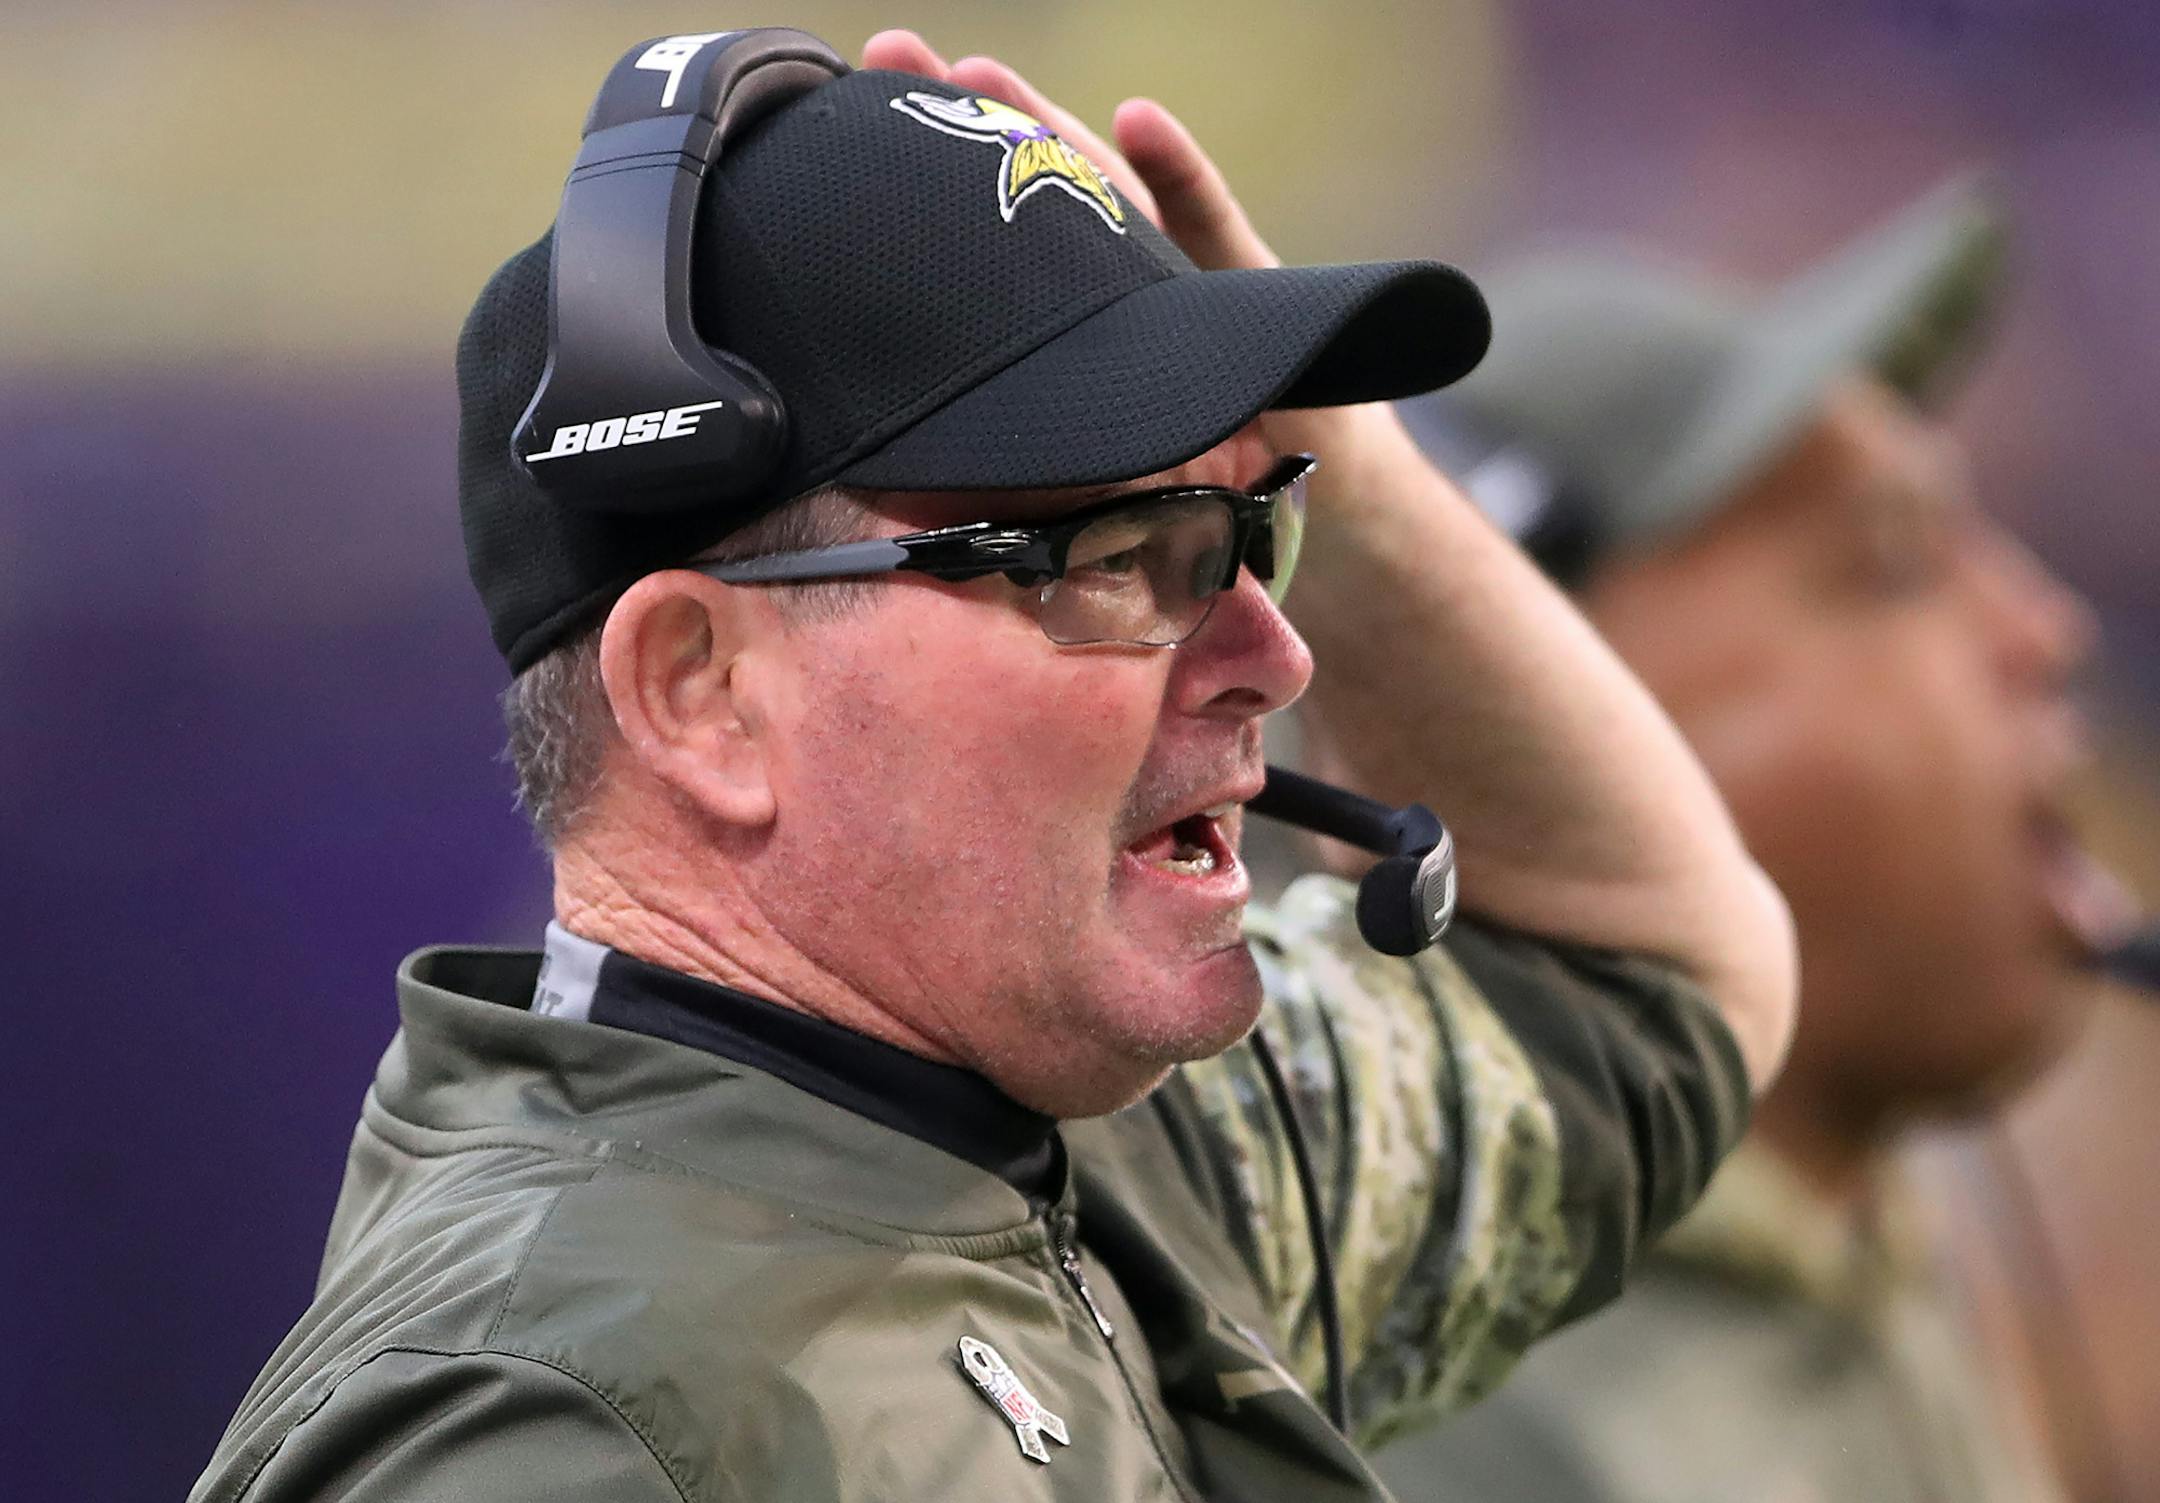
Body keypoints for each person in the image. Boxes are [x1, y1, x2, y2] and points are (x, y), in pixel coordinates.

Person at [190, 28, 1795, 1502]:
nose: (1275, 657)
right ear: (703, 694)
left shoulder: (1093, 1154)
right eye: (1117, 558)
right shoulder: (554, 1431)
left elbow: (1647, 979)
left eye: (1253, 535)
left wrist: (1340, 460)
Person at [1372, 177, 2126, 1503]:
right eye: (1894, 561)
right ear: (1497, 722)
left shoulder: (1828, 1248)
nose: (2045, 631)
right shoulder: (1433, 1418)